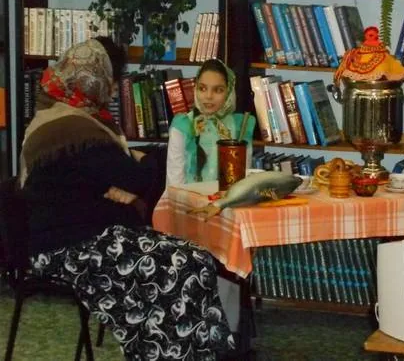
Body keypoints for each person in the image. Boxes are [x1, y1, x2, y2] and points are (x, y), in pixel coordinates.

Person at [18, 37, 234, 360]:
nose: (114, 89)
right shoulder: (78, 129)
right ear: (94, 80)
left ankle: (199, 352)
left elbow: (117, 175)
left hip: (89, 233)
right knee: (181, 267)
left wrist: (132, 165)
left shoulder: (61, 115)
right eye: (111, 80)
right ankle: (172, 351)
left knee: (197, 259)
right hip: (71, 247)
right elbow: (138, 178)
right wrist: (143, 160)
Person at [166, 58, 255, 186]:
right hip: (188, 197)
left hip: (229, 197)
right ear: (195, 88)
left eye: (218, 90)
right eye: (202, 88)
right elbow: (174, 183)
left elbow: (244, 179)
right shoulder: (182, 126)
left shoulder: (240, 126)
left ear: (229, 92)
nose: (208, 96)